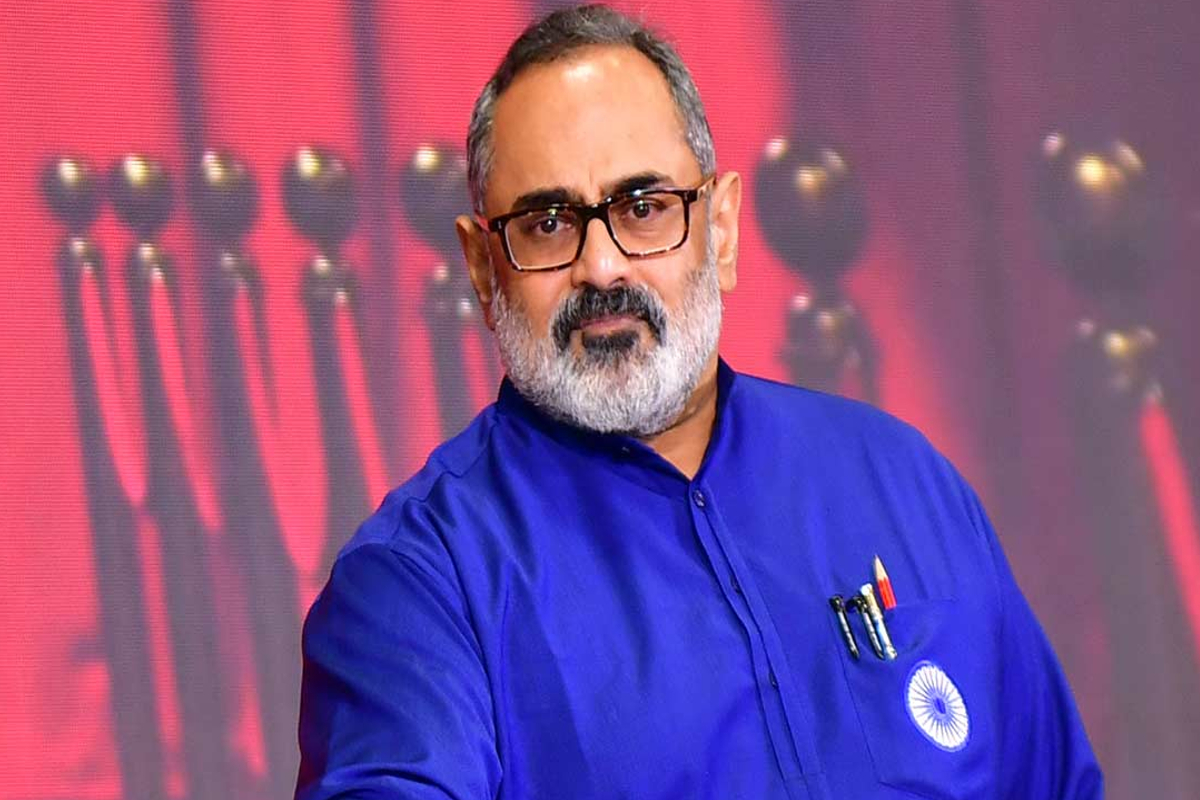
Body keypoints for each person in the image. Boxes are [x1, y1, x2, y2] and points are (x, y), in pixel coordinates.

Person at [295, 5, 1103, 798]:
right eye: (548, 224)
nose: (602, 268)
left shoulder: (902, 481)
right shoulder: (418, 587)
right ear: (482, 267)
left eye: (643, 209)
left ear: (721, 228)